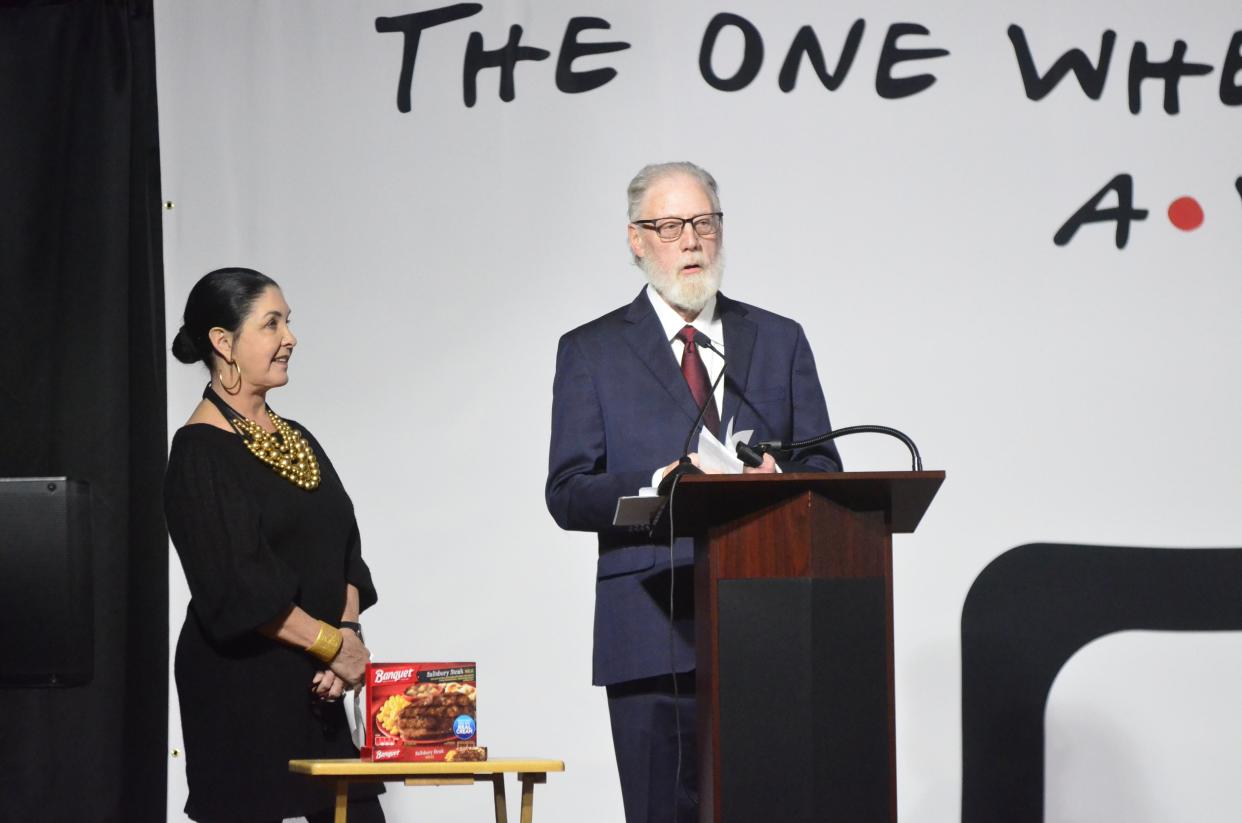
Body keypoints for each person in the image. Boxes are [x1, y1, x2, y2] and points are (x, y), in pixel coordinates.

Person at [545, 162, 843, 823]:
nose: (692, 241)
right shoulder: (591, 352)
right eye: (672, 225)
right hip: (649, 634)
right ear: (636, 239)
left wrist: (783, 481)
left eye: (704, 223)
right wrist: (656, 483)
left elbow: (824, 462)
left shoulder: (778, 339)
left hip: (765, 628)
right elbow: (568, 490)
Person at [165, 268, 385, 823]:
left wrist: (348, 634)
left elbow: (345, 551)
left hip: (322, 684)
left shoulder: (299, 439)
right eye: (272, 324)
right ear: (224, 343)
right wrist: (332, 646)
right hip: (244, 689)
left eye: (288, 322)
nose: (290, 337)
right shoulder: (199, 454)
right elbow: (239, 589)